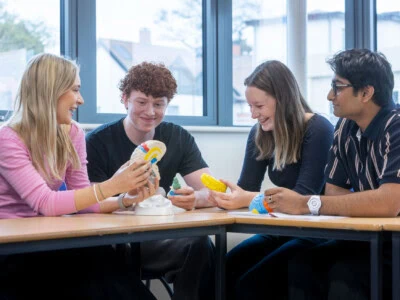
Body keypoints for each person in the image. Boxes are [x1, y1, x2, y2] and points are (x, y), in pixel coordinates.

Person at [0, 53, 158, 299]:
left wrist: (125, 199)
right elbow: (45, 203)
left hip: (53, 241)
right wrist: (111, 186)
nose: (80, 100)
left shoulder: (72, 133)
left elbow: (86, 203)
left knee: (112, 272)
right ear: (50, 91)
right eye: (74, 90)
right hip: (15, 249)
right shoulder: (8, 139)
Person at [265, 49, 397, 299]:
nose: (329, 95)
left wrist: (306, 204)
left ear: (366, 93)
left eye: (338, 87)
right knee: (300, 264)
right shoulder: (345, 127)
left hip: (393, 245)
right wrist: (366, 203)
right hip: (365, 239)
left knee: (344, 277)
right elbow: (334, 192)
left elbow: (389, 202)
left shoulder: (396, 126)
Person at [85, 61, 216, 300]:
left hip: (156, 239)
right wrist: (124, 196)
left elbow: (212, 191)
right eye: (141, 102)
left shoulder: (178, 137)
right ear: (125, 99)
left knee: (201, 245)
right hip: (113, 243)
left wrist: (193, 198)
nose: (150, 112)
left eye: (158, 104)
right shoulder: (97, 142)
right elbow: (87, 202)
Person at [209, 60, 334, 299]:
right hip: (283, 227)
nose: (254, 114)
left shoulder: (318, 129)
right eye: (250, 106)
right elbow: (245, 188)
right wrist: (213, 197)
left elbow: (300, 200)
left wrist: (247, 198)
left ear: (282, 99)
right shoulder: (261, 132)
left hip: (318, 230)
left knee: (252, 284)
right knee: (223, 267)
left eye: (259, 106)